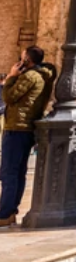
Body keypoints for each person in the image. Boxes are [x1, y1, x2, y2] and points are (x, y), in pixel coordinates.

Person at [0, 47, 55, 227]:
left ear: (27, 61)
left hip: (17, 127)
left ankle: (5, 213)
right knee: (18, 172)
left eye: (22, 57)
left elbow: (8, 97)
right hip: (26, 128)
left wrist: (11, 76)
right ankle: (10, 211)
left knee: (9, 172)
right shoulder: (43, 76)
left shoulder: (29, 77)